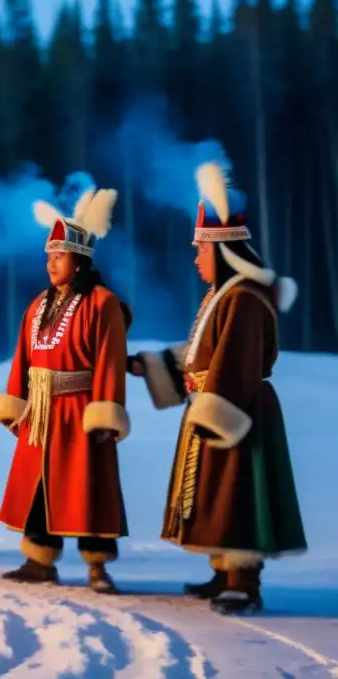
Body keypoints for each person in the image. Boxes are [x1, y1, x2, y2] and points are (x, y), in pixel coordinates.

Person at [128, 163, 307, 614]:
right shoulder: (223, 296)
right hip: (216, 404)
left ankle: (243, 581)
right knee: (217, 493)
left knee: (237, 493)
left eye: (200, 251)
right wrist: (153, 366)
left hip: (237, 410)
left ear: (221, 252)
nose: (195, 259)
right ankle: (222, 572)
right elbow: (202, 353)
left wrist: (216, 405)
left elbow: (233, 362)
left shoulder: (244, 298)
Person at [0, 187, 131, 594]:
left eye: (59, 256)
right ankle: (39, 559)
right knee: (38, 487)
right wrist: (14, 402)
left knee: (89, 487)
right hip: (39, 412)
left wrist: (106, 412)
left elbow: (109, 361)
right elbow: (23, 358)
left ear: (79, 259)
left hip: (81, 410)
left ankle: (97, 567)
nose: (51, 263)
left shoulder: (102, 304)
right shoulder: (37, 305)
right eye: (48, 256)